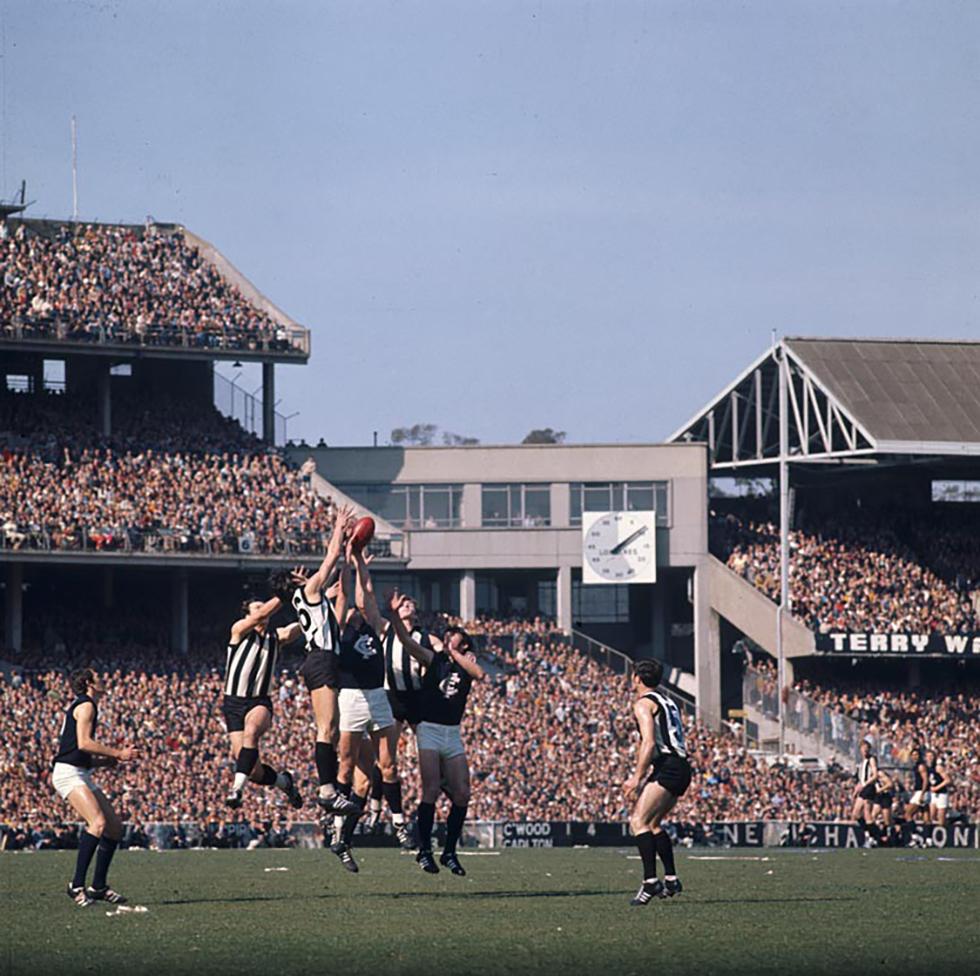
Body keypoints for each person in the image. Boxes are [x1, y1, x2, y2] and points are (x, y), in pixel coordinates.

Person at [387, 594, 484, 876]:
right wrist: (394, 616)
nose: (446, 637)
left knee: (462, 794)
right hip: (428, 728)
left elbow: (479, 674)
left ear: (463, 643)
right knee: (430, 789)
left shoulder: (465, 665)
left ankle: (450, 852)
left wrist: (456, 655)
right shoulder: (433, 659)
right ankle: (424, 850)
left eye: (453, 635)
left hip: (452, 733)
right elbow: (406, 642)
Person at [329, 545, 409, 869]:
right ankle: (337, 834)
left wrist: (360, 560)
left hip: (377, 696)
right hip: (350, 697)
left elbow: (367, 593)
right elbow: (346, 594)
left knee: (387, 766)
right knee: (347, 770)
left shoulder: (373, 623)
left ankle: (400, 823)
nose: (355, 606)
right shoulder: (337, 626)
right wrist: (346, 562)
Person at [289, 504, 361, 815]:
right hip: (321, 658)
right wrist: (338, 527)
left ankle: (328, 789)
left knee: (329, 729)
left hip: (320, 659)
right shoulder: (308, 590)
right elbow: (330, 558)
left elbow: (330, 592)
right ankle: (327, 789)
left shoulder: (305, 599)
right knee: (326, 727)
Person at [51, 667, 139, 906]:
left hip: (79, 771)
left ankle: (98, 886)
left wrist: (104, 761)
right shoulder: (87, 705)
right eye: (99, 677)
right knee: (97, 823)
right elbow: (84, 743)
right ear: (90, 683)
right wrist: (119, 753)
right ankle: (76, 885)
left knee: (114, 828)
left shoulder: (85, 705)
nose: (104, 679)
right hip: (68, 774)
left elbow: (78, 751)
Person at [222, 581, 304, 810]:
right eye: (258, 608)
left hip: (259, 701)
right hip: (233, 703)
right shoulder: (238, 630)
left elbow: (300, 624)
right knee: (254, 771)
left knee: (251, 733)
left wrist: (320, 596)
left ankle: (236, 790)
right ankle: (284, 782)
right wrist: (281, 597)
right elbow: (258, 618)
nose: (263, 612)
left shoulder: (276, 637)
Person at [623, 658, 691, 906]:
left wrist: (636, 778)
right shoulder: (668, 700)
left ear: (637, 679)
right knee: (652, 824)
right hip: (680, 765)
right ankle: (671, 878)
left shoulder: (643, 704)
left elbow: (649, 742)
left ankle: (650, 882)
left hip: (669, 766)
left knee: (638, 821)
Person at [851, 740, 879, 826]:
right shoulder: (862, 763)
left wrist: (865, 784)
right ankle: (868, 830)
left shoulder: (871, 759)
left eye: (866, 748)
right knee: (855, 814)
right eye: (863, 748)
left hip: (869, 787)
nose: (865, 750)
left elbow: (875, 775)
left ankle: (873, 835)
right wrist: (856, 791)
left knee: (867, 813)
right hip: (864, 788)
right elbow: (861, 779)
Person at [904, 750, 931, 823]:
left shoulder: (921, 766)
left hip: (922, 792)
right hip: (921, 792)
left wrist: (922, 793)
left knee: (908, 814)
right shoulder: (916, 766)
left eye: (916, 755)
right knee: (925, 813)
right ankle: (927, 832)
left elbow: (925, 780)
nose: (914, 757)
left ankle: (913, 831)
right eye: (913, 755)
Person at [927, 750, 951, 826]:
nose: (929, 758)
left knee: (941, 818)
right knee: (931, 815)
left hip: (941, 794)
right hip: (933, 795)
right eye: (928, 756)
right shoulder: (928, 768)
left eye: (931, 756)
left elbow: (948, 780)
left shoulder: (938, 767)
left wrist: (937, 788)